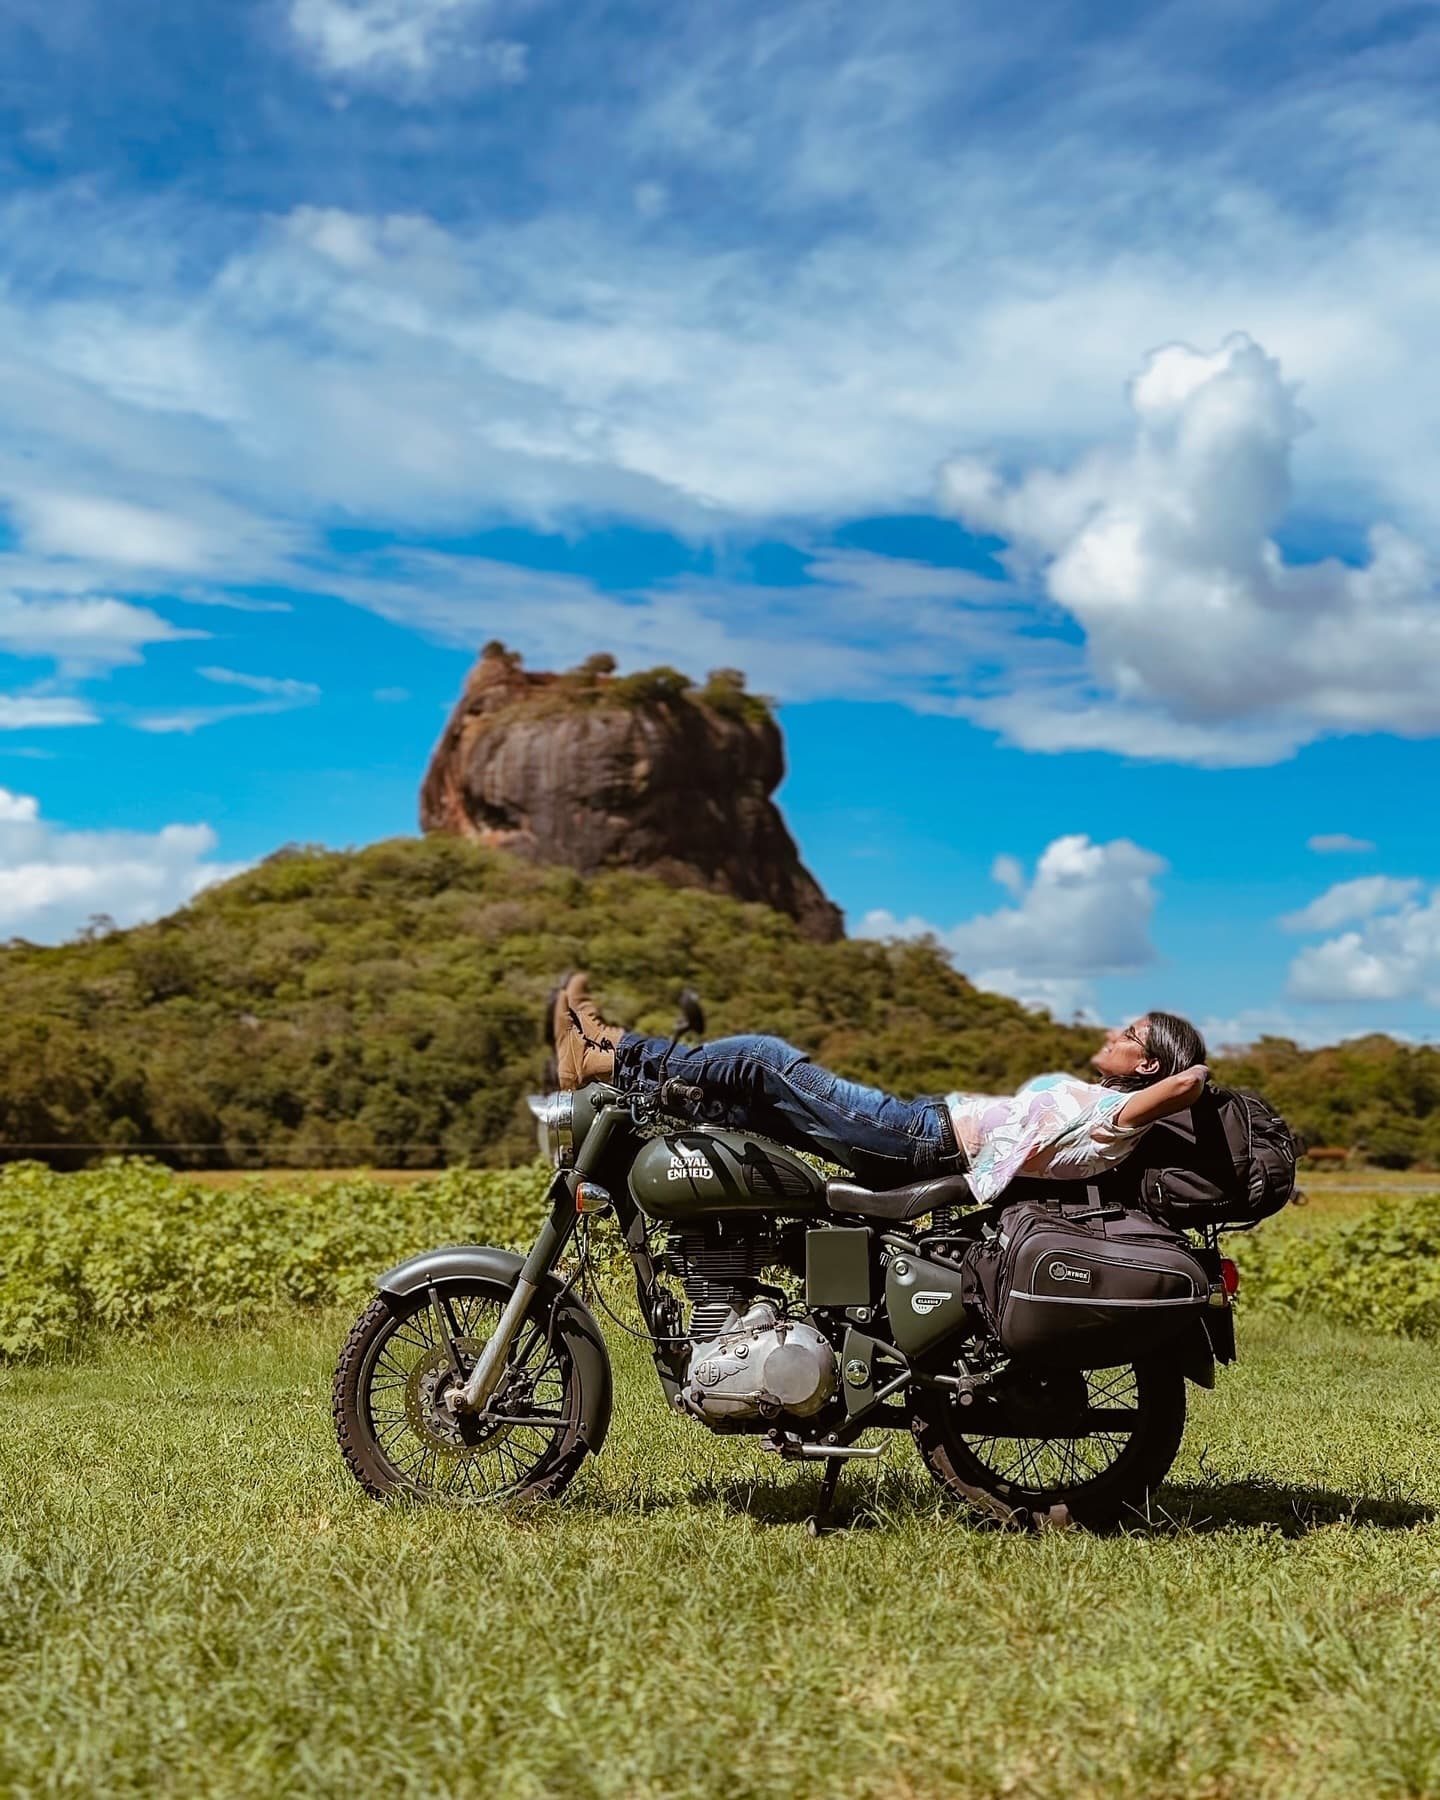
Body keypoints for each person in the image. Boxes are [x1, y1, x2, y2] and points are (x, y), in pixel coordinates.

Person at [550, 973, 1210, 1199]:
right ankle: (607, 1055)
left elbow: (1190, 1083)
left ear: (1148, 1067)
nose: (1114, 1033)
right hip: (923, 1127)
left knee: (764, 1058)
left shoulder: (1119, 1116)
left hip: (921, 1139)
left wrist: (1203, 1077)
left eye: (1130, 1034)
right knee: (744, 1099)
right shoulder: (1104, 1106)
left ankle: (609, 1053)